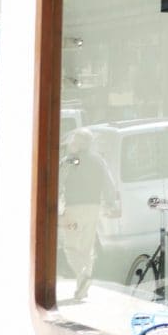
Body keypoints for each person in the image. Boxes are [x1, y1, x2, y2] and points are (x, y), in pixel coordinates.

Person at [58, 128, 117, 300]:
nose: (71, 143)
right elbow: (109, 183)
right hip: (93, 209)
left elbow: (59, 181)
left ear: (79, 143)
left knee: (70, 247)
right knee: (86, 249)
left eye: (74, 140)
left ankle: (83, 276)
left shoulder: (71, 160)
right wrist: (110, 202)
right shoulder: (98, 160)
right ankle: (82, 289)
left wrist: (55, 200)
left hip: (73, 210)